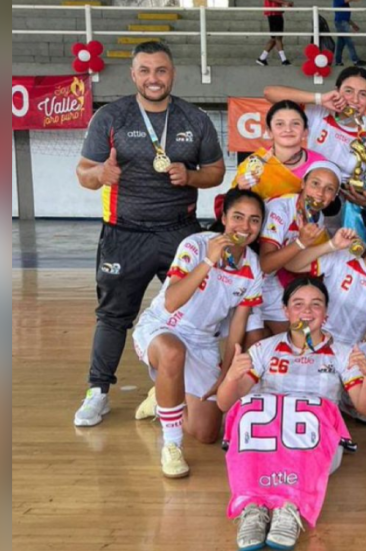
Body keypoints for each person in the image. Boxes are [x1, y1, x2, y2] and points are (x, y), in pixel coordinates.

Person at [73, 41, 225, 427]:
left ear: (172, 73)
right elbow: (84, 172)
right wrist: (100, 176)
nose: (153, 78)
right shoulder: (111, 116)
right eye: (145, 70)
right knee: (113, 315)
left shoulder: (195, 119)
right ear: (133, 75)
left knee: (194, 312)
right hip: (125, 233)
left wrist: (190, 176)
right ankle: (97, 392)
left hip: (181, 232)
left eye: (161, 70)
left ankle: (180, 387)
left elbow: (217, 171)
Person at [218, 277, 366, 550]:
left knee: (306, 413)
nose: (307, 311)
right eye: (298, 304)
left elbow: (365, 407)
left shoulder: (342, 353)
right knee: (247, 407)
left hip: (316, 443)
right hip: (268, 440)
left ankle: (289, 507)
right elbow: (225, 403)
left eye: (316, 305)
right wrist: (231, 377)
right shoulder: (265, 348)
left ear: (326, 314)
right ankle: (253, 506)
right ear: (285, 311)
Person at [130, 189, 265, 478]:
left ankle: (162, 397)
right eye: (238, 217)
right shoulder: (196, 245)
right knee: (172, 352)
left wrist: (225, 374)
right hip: (163, 327)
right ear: (224, 218)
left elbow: (238, 327)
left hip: (202, 342)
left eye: (254, 220)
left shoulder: (253, 267)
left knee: (206, 433)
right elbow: (171, 301)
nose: (245, 226)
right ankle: (172, 446)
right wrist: (208, 262)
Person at [264, 67, 366, 239]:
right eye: (348, 91)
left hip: (340, 211)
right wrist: (319, 99)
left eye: (363, 94)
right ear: (336, 92)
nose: (355, 100)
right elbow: (269, 93)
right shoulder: (318, 111)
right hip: (303, 196)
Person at [285, 213, 366, 371]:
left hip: (353, 349)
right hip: (315, 338)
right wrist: (332, 245)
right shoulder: (342, 258)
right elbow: (291, 265)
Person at [252, 161, 342, 341]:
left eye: (329, 189)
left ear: (334, 196)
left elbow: (295, 261)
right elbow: (266, 265)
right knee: (278, 340)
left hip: (274, 282)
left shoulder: (318, 217)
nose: (320, 193)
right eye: (315, 183)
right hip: (252, 278)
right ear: (303, 183)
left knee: (289, 339)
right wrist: (301, 242)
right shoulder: (281, 208)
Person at [214, 100, 328, 222]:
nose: (288, 129)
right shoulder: (255, 163)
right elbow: (233, 206)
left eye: (295, 124)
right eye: (280, 124)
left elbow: (331, 209)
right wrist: (240, 189)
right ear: (269, 132)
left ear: (305, 131)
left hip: (306, 231)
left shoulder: (319, 163)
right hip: (261, 231)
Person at [256, 0, 293, 66]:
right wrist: (285, 3)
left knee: (275, 38)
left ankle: (262, 58)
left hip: (275, 12)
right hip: (274, 13)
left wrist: (284, 5)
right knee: (277, 37)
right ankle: (284, 60)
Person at [333, 0, 366, 67]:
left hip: (342, 22)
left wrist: (353, 25)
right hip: (341, 23)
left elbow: (345, 17)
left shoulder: (344, 4)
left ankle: (338, 61)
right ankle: (355, 60)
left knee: (340, 43)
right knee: (349, 42)